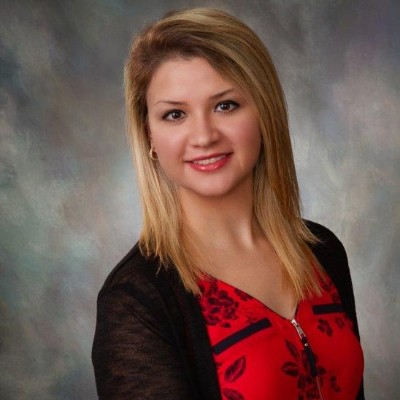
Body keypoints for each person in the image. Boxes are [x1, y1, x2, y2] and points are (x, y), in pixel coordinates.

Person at [92, 7, 364, 400]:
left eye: (225, 106)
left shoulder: (322, 252)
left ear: (264, 112)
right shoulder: (136, 300)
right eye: (175, 114)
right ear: (149, 134)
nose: (203, 136)